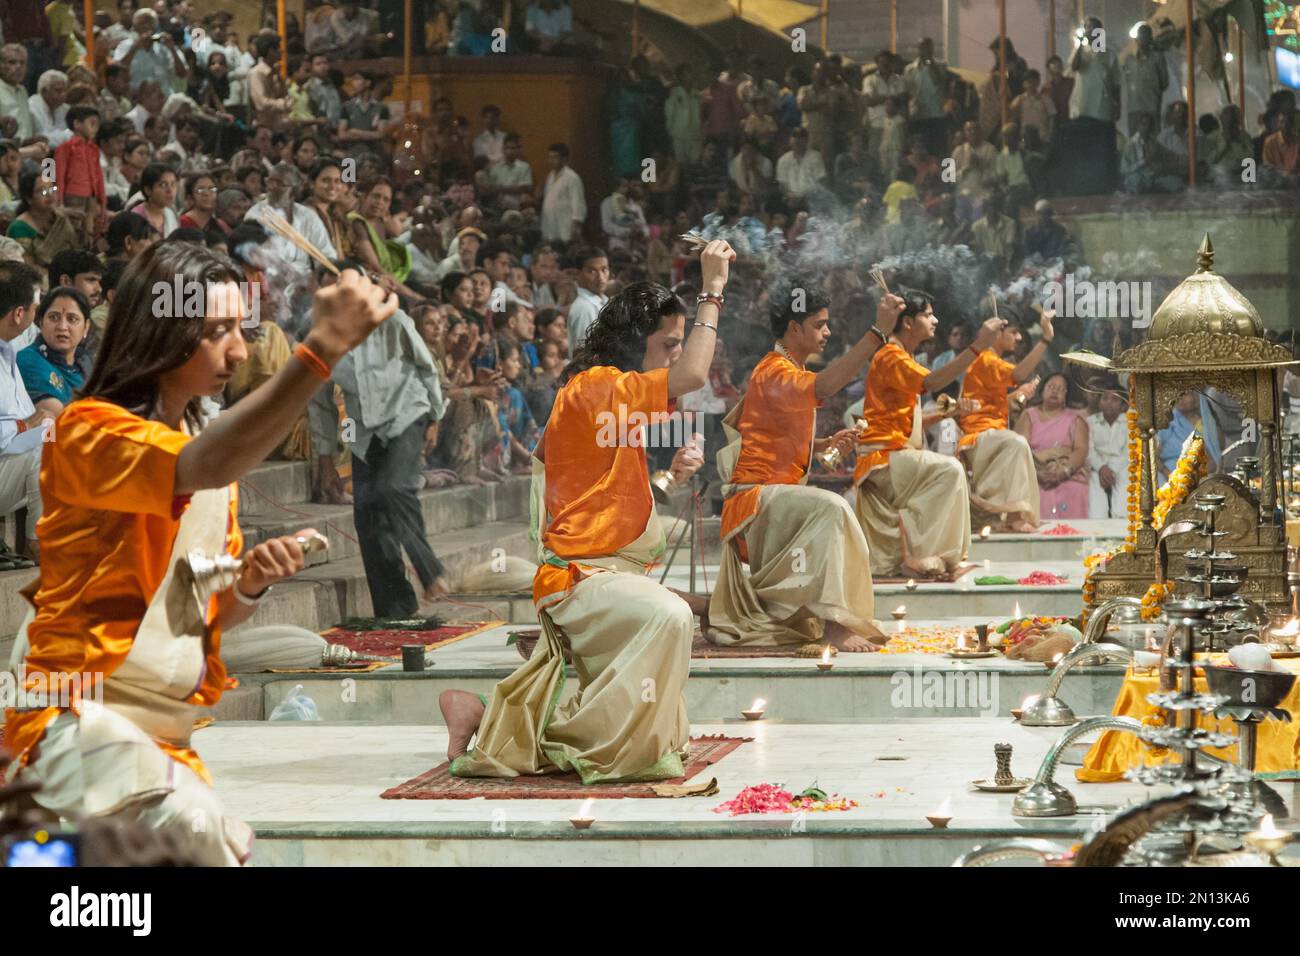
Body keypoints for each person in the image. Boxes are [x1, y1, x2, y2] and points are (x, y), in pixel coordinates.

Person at [1, 241, 396, 865]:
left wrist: (248, 588)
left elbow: (202, 617)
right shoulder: (89, 432)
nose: (238, 352)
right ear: (160, 332)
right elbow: (205, 463)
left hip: (162, 731)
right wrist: (321, 349)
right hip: (74, 719)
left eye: (238, 331)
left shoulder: (205, 454)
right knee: (196, 830)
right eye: (217, 333)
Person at [439, 241, 733, 783]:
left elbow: (604, 496)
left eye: (677, 343)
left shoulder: (610, 394)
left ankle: (486, 719)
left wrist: (670, 479)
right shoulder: (597, 388)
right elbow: (694, 375)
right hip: (577, 578)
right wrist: (712, 288)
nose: (674, 353)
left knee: (681, 630)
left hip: (609, 570)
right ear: (632, 341)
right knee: (671, 615)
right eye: (667, 343)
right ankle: (500, 726)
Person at [708, 286, 905, 652]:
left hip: (770, 500)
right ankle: (834, 623)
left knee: (830, 507)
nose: (827, 332)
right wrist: (877, 333)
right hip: (752, 506)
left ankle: (831, 615)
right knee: (831, 507)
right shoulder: (774, 371)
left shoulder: (788, 369)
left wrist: (822, 445)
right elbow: (827, 385)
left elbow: (768, 437)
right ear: (794, 328)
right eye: (820, 325)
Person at [309, 257, 449, 617]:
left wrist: (434, 416)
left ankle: (429, 570)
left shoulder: (394, 320)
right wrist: (325, 458)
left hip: (408, 410)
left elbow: (426, 367)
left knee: (393, 488)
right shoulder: (321, 338)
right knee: (368, 515)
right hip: (363, 428)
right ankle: (395, 609)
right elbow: (320, 403)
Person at [854, 290, 1003, 577]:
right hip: (881, 459)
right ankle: (928, 556)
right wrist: (978, 346)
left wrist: (950, 413)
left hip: (896, 455)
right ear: (908, 322)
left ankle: (943, 558)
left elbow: (912, 421)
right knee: (948, 470)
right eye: (928, 314)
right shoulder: (890, 355)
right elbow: (932, 382)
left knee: (950, 469)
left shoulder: (903, 355)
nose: (935, 320)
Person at [958, 311, 1055, 532]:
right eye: (1013, 332)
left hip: (990, 435)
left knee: (1015, 443)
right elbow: (1020, 373)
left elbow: (988, 404)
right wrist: (1045, 338)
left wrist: (1014, 396)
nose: (1018, 338)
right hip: (978, 438)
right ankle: (1014, 516)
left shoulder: (989, 360)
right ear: (997, 333)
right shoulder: (986, 359)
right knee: (1016, 443)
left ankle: (1014, 514)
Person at [0, 262, 52, 566]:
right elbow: (20, 425)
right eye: (37, 308)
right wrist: (27, 424)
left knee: (69, 441)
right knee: (48, 446)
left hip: (8, 466)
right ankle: (39, 546)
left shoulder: (7, 350)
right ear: (19, 313)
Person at [1015, 371, 1090, 521]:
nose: (1055, 391)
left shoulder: (1075, 419)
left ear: (1066, 396)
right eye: (1051, 386)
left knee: (1076, 489)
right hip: (1035, 474)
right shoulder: (1029, 415)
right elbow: (1020, 450)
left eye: (1061, 389)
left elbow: (1081, 450)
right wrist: (1038, 471)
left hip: (1068, 475)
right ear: (1042, 390)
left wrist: (1064, 471)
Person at [16, 285, 90, 415]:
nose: (62, 327)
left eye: (72, 319)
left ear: (86, 328)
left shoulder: (87, 362)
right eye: (53, 317)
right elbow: (55, 413)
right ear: (40, 322)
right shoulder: (27, 361)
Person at [1087, 385, 1131, 519]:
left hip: (1121, 466)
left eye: (1114, 399)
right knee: (1093, 482)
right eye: (1105, 398)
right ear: (1099, 402)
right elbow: (1089, 450)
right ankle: (1098, 522)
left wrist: (1111, 469)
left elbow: (1129, 451)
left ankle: (1121, 520)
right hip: (1097, 467)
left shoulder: (1130, 422)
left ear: (1123, 405)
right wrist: (1101, 467)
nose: (1109, 402)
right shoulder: (1090, 422)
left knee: (1126, 478)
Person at [565, 245, 609, 355]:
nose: (600, 277)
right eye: (592, 271)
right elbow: (582, 353)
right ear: (578, 274)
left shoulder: (604, 301)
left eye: (604, 270)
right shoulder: (584, 308)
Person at [540, 141, 585, 244]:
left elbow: (578, 203)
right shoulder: (550, 176)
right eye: (549, 157)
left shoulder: (572, 178)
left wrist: (576, 226)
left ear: (564, 159)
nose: (551, 161)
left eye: (555, 157)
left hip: (566, 228)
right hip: (550, 226)